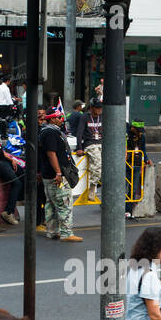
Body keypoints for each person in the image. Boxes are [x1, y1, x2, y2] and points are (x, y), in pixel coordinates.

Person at [38, 107, 81, 242]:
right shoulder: (50, 133)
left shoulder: (46, 131)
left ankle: (52, 231)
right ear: (51, 119)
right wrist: (58, 172)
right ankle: (66, 233)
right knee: (64, 203)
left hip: (48, 174)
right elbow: (51, 154)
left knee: (51, 203)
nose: (60, 120)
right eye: (58, 117)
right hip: (56, 175)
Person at [75, 98, 104, 199]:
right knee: (97, 164)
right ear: (91, 108)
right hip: (90, 144)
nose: (100, 109)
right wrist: (79, 147)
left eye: (101, 107)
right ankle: (92, 187)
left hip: (101, 143)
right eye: (97, 108)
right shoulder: (85, 117)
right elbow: (79, 133)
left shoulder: (102, 117)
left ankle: (98, 181)